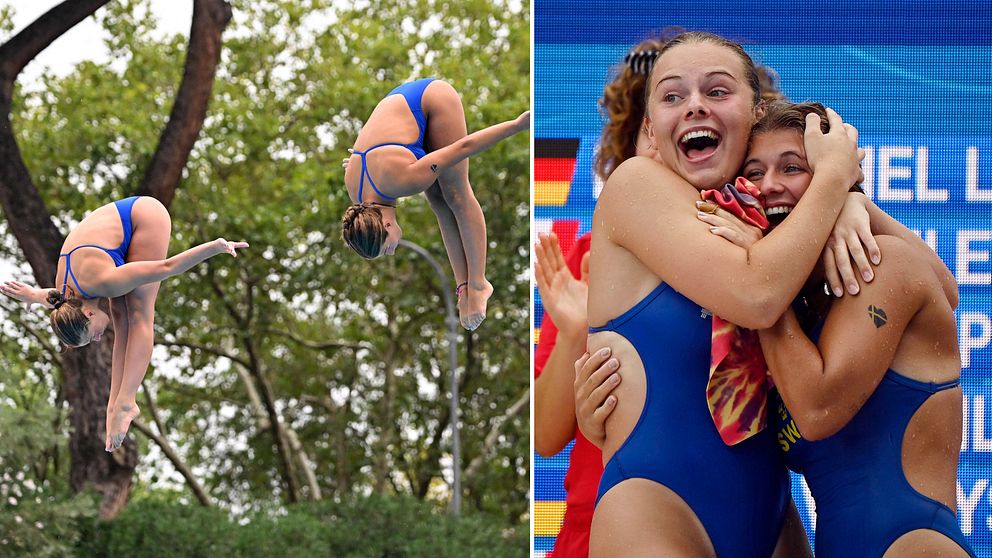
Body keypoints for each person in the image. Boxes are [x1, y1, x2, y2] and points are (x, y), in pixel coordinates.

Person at [576, 101, 972, 557]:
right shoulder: (804, 316)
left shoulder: (884, 264)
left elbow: (818, 409)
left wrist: (847, 198)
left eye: (793, 167)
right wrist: (602, 419)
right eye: (754, 172)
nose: (771, 186)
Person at [582, 31, 862, 557]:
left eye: (716, 92)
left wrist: (851, 202)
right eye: (671, 96)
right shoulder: (635, 185)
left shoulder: (776, 217)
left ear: (757, 113)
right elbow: (755, 296)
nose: (693, 107)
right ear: (649, 126)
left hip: (773, 518)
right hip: (655, 509)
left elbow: (935, 281)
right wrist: (833, 181)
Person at [0, 196, 248, 452]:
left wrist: (215, 247)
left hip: (144, 217)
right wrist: (31, 295)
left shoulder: (105, 281)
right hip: (111, 237)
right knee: (119, 313)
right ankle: (114, 405)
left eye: (91, 336)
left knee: (139, 311)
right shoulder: (65, 299)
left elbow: (168, 266)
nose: (97, 339)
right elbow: (49, 298)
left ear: (88, 315)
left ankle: (126, 401)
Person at [340, 78, 529, 330]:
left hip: (430, 99)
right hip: (397, 107)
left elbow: (465, 146)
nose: (393, 251)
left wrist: (517, 125)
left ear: (386, 224)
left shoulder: (404, 180)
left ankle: (479, 283)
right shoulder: (356, 194)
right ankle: (463, 289)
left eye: (387, 248)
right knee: (439, 203)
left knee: (456, 194)